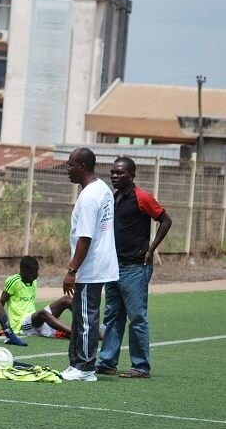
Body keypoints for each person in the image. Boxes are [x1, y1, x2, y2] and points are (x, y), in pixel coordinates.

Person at [97, 157, 173, 379]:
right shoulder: (115, 196)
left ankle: (141, 366)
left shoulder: (142, 197)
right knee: (112, 315)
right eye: (112, 172)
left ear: (131, 175)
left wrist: (151, 249)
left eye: (120, 173)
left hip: (135, 267)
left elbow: (166, 220)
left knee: (137, 317)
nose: (114, 176)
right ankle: (108, 362)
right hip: (114, 266)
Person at [61, 148, 118, 381]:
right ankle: (76, 363)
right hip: (99, 262)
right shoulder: (103, 188)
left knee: (86, 316)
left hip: (90, 265)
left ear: (82, 166)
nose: (67, 170)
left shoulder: (88, 197)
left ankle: (85, 367)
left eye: (70, 165)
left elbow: (85, 238)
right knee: (81, 314)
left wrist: (72, 270)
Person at [0, 256, 71, 339]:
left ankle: (87, 324)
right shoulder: (13, 281)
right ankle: (75, 332)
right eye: (33, 273)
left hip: (35, 320)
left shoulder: (33, 282)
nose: (37, 275)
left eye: (37, 271)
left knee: (66, 300)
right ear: (23, 270)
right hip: (21, 325)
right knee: (42, 313)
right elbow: (0, 303)